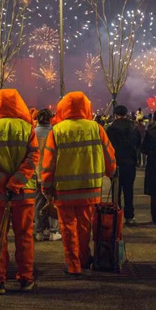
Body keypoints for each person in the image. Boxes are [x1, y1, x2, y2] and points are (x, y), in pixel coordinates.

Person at [41, 92, 116, 276]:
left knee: (67, 228)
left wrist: (46, 187)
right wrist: (111, 172)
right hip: (90, 189)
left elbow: (48, 163)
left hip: (64, 191)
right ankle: (84, 259)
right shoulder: (95, 128)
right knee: (85, 227)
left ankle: (73, 264)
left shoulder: (57, 131)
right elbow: (109, 155)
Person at [0, 89, 39, 294]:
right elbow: (33, 158)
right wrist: (16, 183)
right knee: (25, 236)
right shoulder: (27, 128)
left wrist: (2, 182)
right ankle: (26, 279)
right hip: (23, 193)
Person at [106, 105, 142, 225]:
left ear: (115, 115)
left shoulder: (111, 129)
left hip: (115, 163)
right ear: (126, 114)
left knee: (116, 192)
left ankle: (116, 216)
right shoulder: (133, 128)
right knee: (128, 190)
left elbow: (107, 147)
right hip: (130, 163)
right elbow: (138, 144)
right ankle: (130, 216)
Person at [33, 109, 60, 241]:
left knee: (38, 204)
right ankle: (53, 231)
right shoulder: (55, 132)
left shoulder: (32, 133)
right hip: (52, 172)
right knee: (52, 201)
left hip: (36, 172)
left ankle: (38, 231)